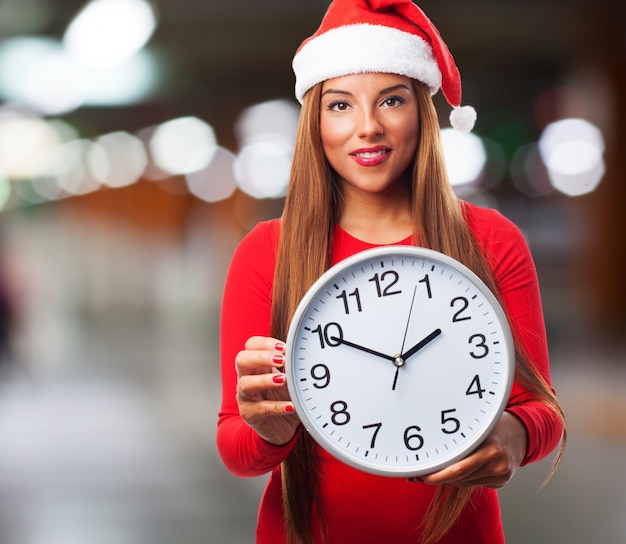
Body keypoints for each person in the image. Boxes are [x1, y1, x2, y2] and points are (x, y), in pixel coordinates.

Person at [217, 1, 566, 543]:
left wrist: (514, 436)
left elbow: (541, 410)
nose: (368, 127)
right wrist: (269, 430)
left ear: (420, 113)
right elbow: (236, 449)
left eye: (392, 100)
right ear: (316, 121)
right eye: (340, 105)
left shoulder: (491, 240)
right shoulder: (267, 251)